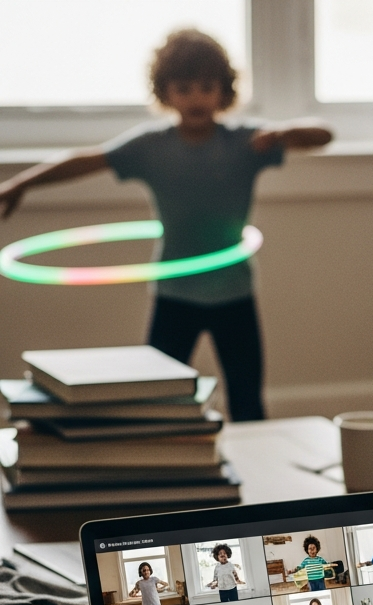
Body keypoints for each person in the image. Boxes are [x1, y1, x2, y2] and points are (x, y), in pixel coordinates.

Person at [0, 29, 332, 422]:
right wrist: (22, 183)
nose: (196, 97)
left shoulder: (247, 142)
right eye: (184, 87)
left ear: (224, 90)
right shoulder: (151, 148)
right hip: (175, 296)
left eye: (207, 86)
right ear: (165, 92)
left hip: (234, 293)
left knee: (247, 399)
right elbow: (88, 160)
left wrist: (287, 133)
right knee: (156, 397)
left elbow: (324, 134)